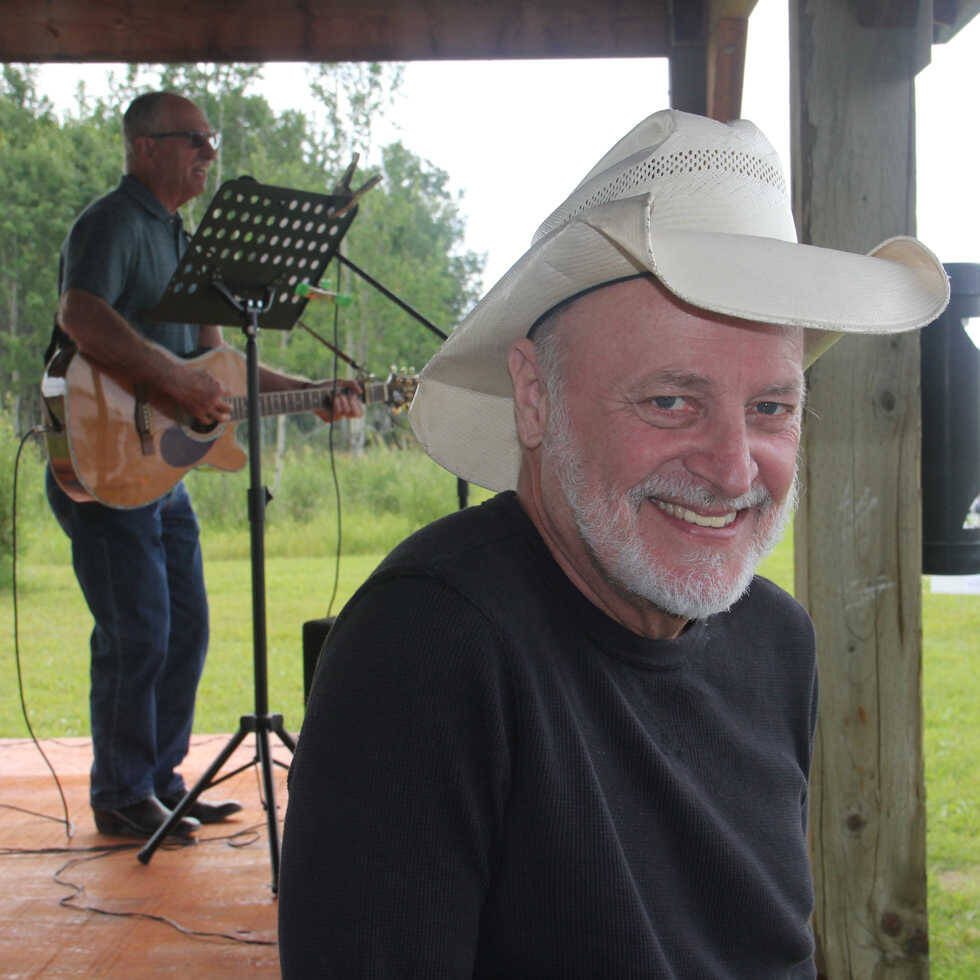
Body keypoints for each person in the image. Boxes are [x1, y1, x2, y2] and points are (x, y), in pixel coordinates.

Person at [278, 110, 948, 976]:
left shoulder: (777, 641)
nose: (732, 466)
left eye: (772, 408)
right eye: (672, 401)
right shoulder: (429, 646)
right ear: (534, 396)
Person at [44, 91, 363, 841]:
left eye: (211, 141)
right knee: (139, 631)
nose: (209, 154)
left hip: (159, 470)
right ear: (144, 146)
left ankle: (158, 782)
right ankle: (120, 794)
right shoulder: (113, 223)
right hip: (103, 454)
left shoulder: (184, 238)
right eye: (195, 140)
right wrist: (169, 378)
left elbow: (219, 364)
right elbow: (80, 317)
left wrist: (315, 393)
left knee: (185, 626)